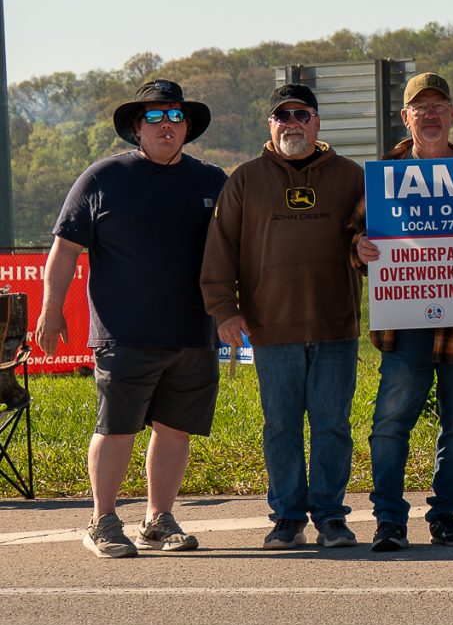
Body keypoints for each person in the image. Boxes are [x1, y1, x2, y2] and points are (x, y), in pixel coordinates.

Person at [38, 80, 229, 558]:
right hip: (125, 333)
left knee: (175, 429)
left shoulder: (212, 180)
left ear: (187, 127)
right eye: (155, 117)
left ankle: (158, 520)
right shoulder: (103, 178)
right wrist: (51, 309)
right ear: (136, 129)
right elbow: (65, 250)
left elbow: (240, 250)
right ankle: (102, 521)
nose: (167, 126)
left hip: (194, 331)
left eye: (175, 116)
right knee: (117, 428)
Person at [201, 82, 368, 549]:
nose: (292, 124)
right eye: (283, 116)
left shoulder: (351, 176)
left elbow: (378, 240)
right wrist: (224, 311)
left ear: (317, 122)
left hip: (335, 325)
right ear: (270, 124)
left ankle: (331, 517)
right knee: (280, 426)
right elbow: (219, 251)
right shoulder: (245, 179)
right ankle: (288, 518)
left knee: (333, 425)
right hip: (270, 328)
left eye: (301, 115)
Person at [356, 73, 453, 552]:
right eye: (420, 108)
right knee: (390, 423)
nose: (430, 115)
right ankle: (389, 520)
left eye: (438, 107)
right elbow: (352, 235)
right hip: (404, 325)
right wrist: (358, 246)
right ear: (405, 118)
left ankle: (446, 516)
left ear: (452, 115)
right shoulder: (383, 177)